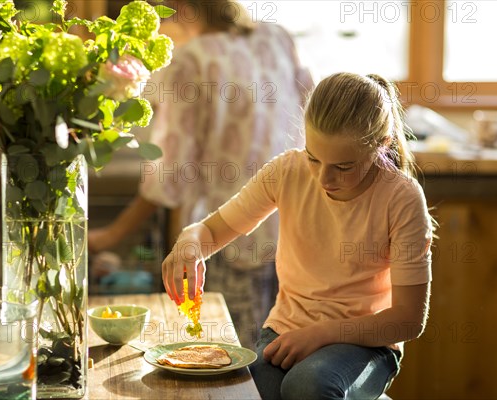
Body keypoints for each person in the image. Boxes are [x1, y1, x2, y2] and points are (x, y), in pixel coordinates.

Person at [161, 72, 434, 400]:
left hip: (366, 345)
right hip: (285, 330)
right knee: (243, 392)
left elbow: (408, 320)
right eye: (313, 158)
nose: (323, 178)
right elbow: (209, 230)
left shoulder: (401, 197)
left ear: (382, 144)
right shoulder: (287, 171)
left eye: (343, 167)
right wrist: (188, 247)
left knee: (308, 387)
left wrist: (320, 334)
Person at [88, 0, 313, 350]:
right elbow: (307, 119)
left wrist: (111, 235)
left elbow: (169, 175)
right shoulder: (277, 38)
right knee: (280, 353)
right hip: (293, 229)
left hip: (227, 234)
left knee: (234, 358)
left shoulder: (192, 59)